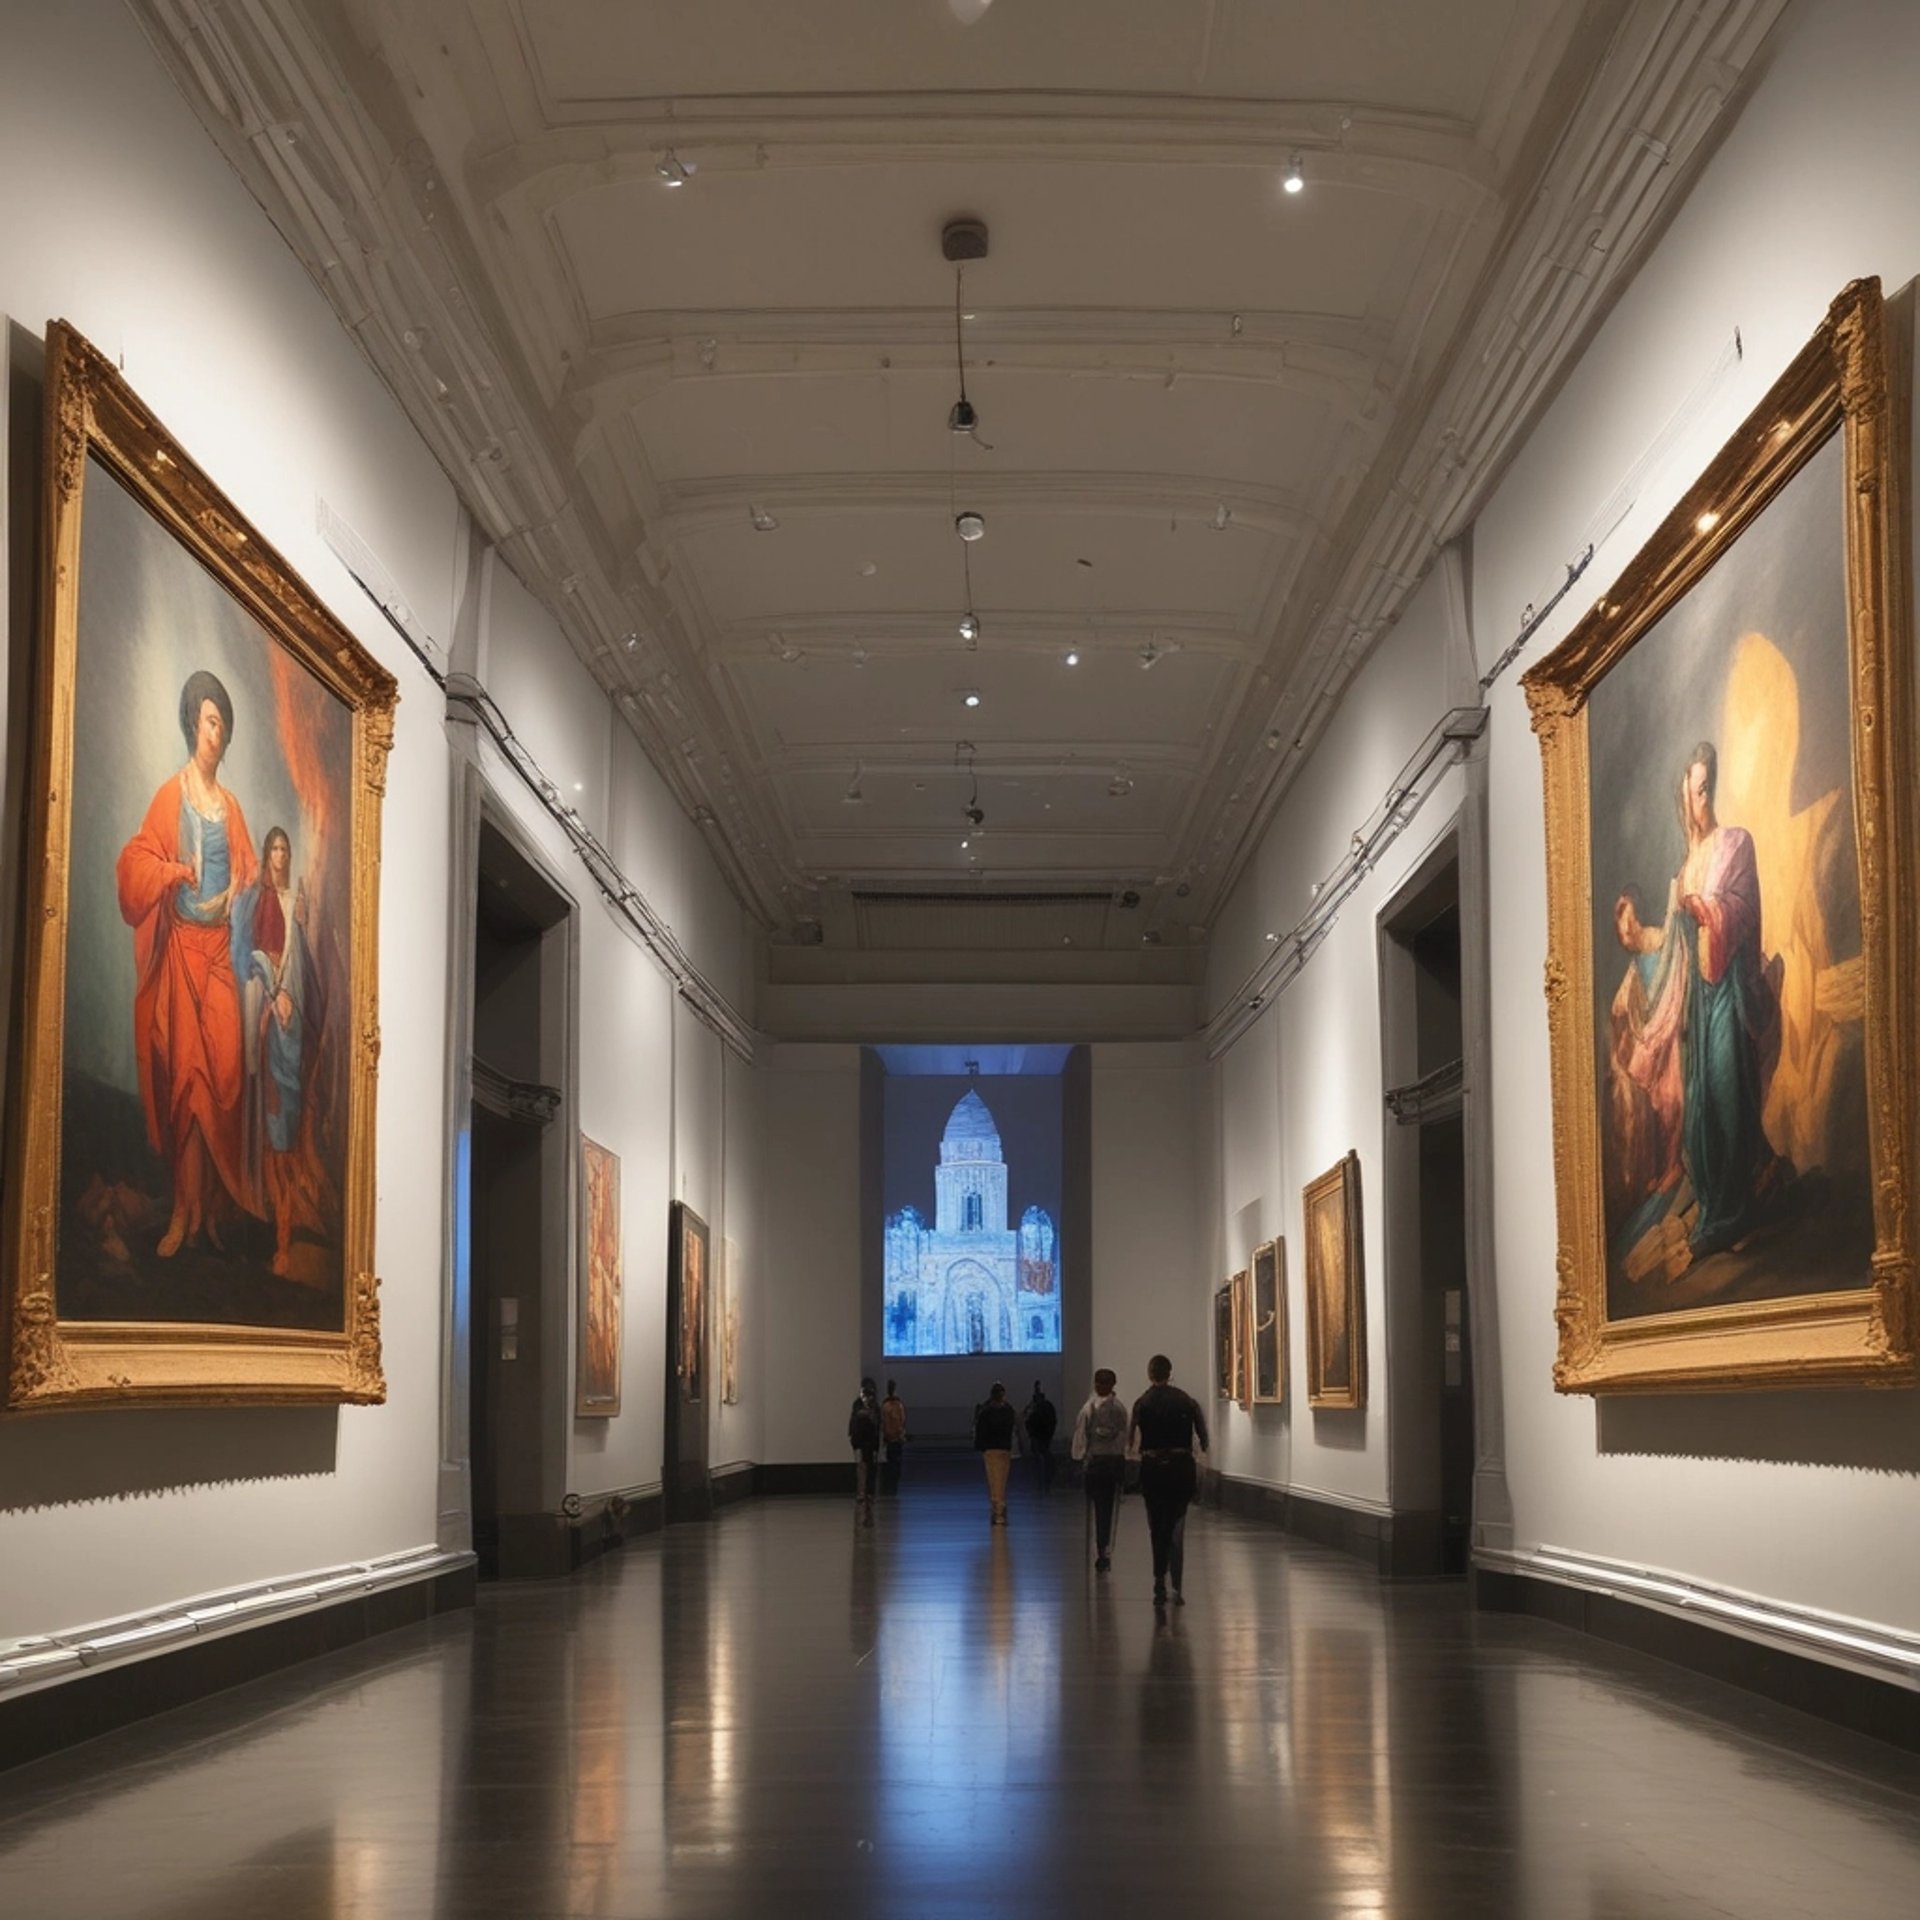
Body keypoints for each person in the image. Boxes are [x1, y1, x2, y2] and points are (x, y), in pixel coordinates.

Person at [1611, 741, 1787, 1266]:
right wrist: (1639, 932)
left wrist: (1706, 909)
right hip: (1695, 1006)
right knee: (1702, 1110)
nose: (1702, 801)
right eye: (1695, 792)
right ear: (1682, 800)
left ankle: (1738, 1210)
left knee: (1729, 1094)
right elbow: (1669, 945)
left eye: (1708, 788)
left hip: (1727, 990)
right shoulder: (1684, 870)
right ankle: (1719, 1212)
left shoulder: (1735, 843)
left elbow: (1743, 906)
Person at [117, 670, 260, 1257]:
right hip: (180, 950)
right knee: (187, 1084)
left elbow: (250, 870)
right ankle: (184, 1212)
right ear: (191, 725)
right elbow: (135, 863)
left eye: (221, 724)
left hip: (218, 954)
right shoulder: (170, 796)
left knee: (224, 1074)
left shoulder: (232, 807)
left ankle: (213, 1209)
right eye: (208, 721)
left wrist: (240, 891)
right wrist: (175, 871)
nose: (214, 733)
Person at [231, 824, 329, 1277]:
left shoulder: (293, 903)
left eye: (285, 848)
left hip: (292, 1022)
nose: (280, 855)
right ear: (266, 855)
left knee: (289, 1124)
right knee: (272, 1122)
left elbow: (302, 969)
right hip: (268, 1017)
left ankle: (287, 1231)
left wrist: (304, 927)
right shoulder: (257, 901)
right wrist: (274, 996)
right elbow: (249, 959)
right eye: (273, 848)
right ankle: (276, 1233)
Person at [1130, 1354, 1209, 1606]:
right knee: (1176, 1527)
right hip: (1180, 1469)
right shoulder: (1187, 1401)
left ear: (1150, 1374)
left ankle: (1158, 1580)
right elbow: (1203, 1439)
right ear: (1170, 1372)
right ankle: (1177, 1584)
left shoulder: (1142, 1402)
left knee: (1156, 1526)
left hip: (1153, 1470)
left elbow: (1132, 1443)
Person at [1070, 1368, 1129, 1572]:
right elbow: (1082, 1436)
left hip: (1104, 1463)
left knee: (1104, 1510)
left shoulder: (1101, 1409)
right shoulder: (1095, 1408)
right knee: (1104, 1509)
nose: (1101, 1386)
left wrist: (1080, 1457)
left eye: (1104, 1382)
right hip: (1102, 1463)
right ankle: (1102, 1548)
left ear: (1112, 1384)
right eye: (1099, 1382)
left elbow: (1082, 1436)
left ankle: (1103, 1548)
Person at [973, 1381, 1017, 1525]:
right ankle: (1000, 1508)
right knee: (1002, 1481)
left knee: (994, 1480)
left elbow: (980, 1431)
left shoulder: (985, 1412)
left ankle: (997, 1510)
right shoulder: (1008, 1412)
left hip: (990, 1450)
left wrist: (980, 1446)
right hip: (1004, 1449)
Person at [848, 1378, 881, 1525]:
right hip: (861, 1443)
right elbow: (855, 1425)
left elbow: (876, 1426)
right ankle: (862, 1492)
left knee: (867, 1468)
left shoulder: (872, 1408)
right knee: (862, 1467)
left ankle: (867, 1492)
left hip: (868, 1443)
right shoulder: (860, 1406)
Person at [1024, 1380, 1058, 1492]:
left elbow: (1028, 1421)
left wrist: (1031, 1433)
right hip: (1045, 1436)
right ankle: (1045, 1483)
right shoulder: (1048, 1406)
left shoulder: (1035, 1408)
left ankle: (1039, 1484)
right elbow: (1053, 1421)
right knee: (1044, 1459)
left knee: (1037, 1460)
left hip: (1038, 1437)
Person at [880, 1379, 908, 1495]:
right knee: (896, 1463)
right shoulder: (898, 1406)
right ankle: (893, 1485)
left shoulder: (885, 1406)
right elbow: (901, 1422)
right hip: (897, 1438)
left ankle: (890, 1486)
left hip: (889, 1439)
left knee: (891, 1463)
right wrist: (901, 1434)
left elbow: (884, 1423)